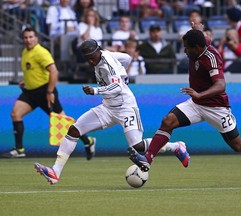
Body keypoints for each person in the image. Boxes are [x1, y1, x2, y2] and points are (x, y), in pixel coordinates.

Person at [34, 39, 190, 184]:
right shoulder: (107, 55)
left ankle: (176, 146)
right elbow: (127, 58)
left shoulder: (107, 63)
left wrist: (96, 90)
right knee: (74, 130)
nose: (90, 60)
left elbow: (118, 87)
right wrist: (122, 72)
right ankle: (55, 171)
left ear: (98, 51)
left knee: (138, 147)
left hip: (125, 107)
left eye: (91, 56)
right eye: (86, 58)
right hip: (107, 108)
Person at [128, 29, 241, 172]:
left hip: (216, 108)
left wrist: (200, 95)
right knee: (168, 121)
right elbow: (204, 35)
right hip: (196, 104)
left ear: (198, 47)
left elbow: (221, 85)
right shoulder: (200, 43)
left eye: (187, 48)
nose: (185, 51)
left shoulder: (210, 59)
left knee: (238, 145)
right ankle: (147, 159)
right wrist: (198, 27)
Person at [1, 27, 96, 160]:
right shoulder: (25, 52)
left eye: (30, 37)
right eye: (25, 37)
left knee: (63, 122)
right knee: (15, 114)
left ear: (36, 38)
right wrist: (26, 81)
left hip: (45, 92)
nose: (28, 40)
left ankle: (88, 141)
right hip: (30, 92)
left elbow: (54, 71)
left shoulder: (41, 52)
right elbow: (33, 71)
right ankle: (19, 149)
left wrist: (50, 91)